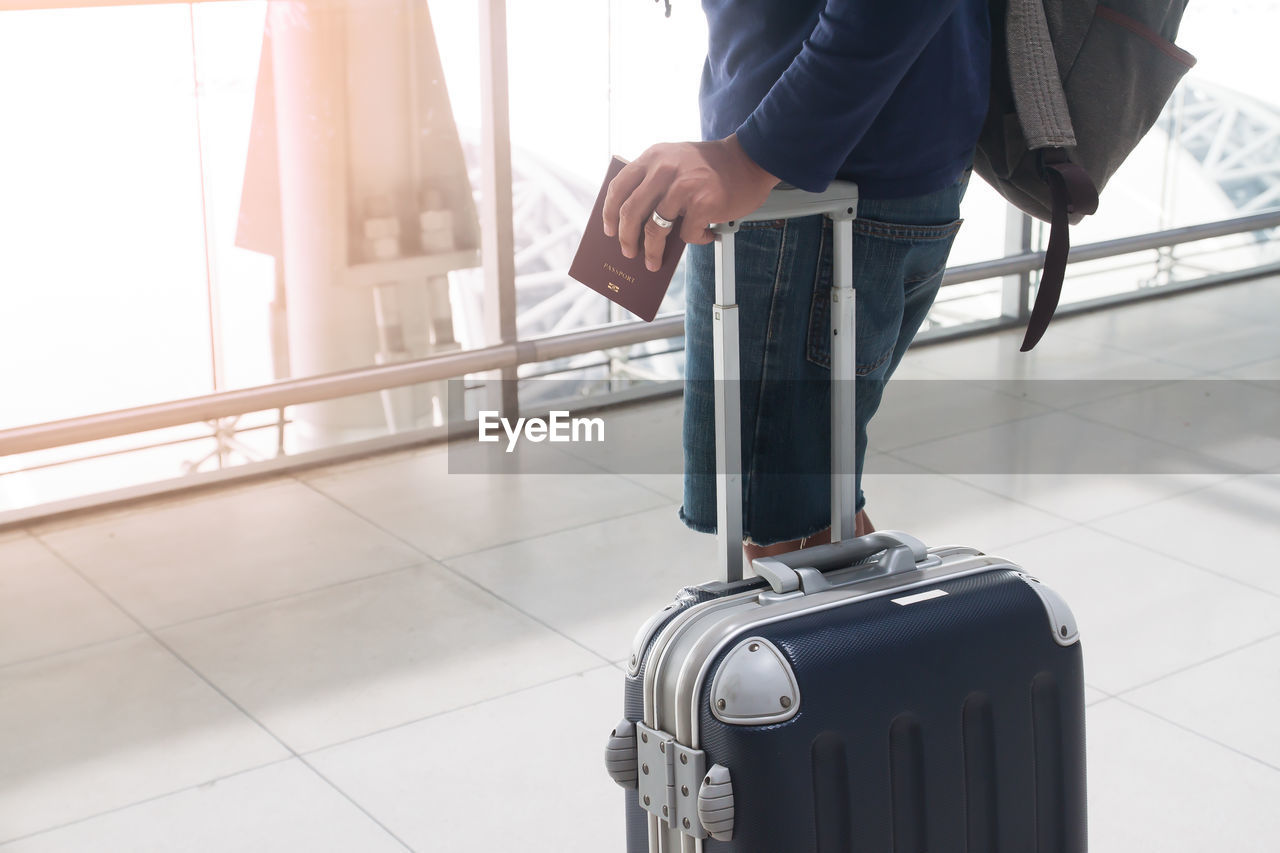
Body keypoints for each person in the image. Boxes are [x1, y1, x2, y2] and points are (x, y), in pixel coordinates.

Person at [602, 0, 991, 560]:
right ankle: (898, 641)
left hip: (803, 187)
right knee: (811, 519)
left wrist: (755, 155)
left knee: (786, 538)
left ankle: (890, 645)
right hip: (843, 163)